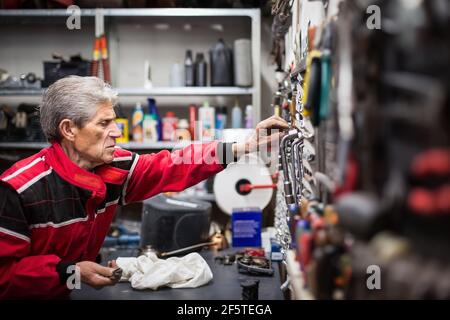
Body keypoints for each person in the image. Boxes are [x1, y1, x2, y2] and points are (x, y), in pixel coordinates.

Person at [0, 76, 288, 299]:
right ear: (68, 129)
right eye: (104, 123)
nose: (116, 131)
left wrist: (244, 147)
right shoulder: (19, 189)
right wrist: (70, 271)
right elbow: (4, 277)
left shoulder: (114, 168)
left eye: (114, 121)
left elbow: (175, 164)